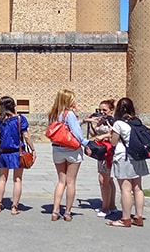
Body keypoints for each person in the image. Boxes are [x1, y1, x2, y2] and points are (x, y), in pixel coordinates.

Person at [48, 89, 90, 221]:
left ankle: (55, 211)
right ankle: (67, 212)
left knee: (61, 181)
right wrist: (86, 143)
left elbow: (63, 128)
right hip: (71, 150)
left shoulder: (53, 114)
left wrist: (82, 121)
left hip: (57, 149)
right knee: (71, 182)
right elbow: (76, 132)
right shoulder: (69, 114)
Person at [107, 97, 149, 228]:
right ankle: (138, 217)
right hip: (138, 156)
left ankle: (125, 219)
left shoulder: (118, 123)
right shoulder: (137, 122)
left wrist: (110, 133)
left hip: (123, 157)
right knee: (138, 188)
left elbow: (113, 142)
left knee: (125, 189)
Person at [0, 96, 35, 215]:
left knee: (2, 178)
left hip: (3, 152)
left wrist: (2, 111)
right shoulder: (20, 119)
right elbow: (26, 136)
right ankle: (14, 207)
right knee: (17, 179)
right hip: (17, 152)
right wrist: (33, 149)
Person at [83, 99, 117, 218]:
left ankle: (105, 208)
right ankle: (111, 206)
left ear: (111, 110)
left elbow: (114, 134)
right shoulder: (101, 121)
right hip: (101, 152)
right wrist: (90, 123)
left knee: (103, 180)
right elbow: (94, 134)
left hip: (109, 152)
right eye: (100, 110)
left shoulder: (113, 121)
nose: (102, 112)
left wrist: (105, 134)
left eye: (105, 110)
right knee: (109, 180)